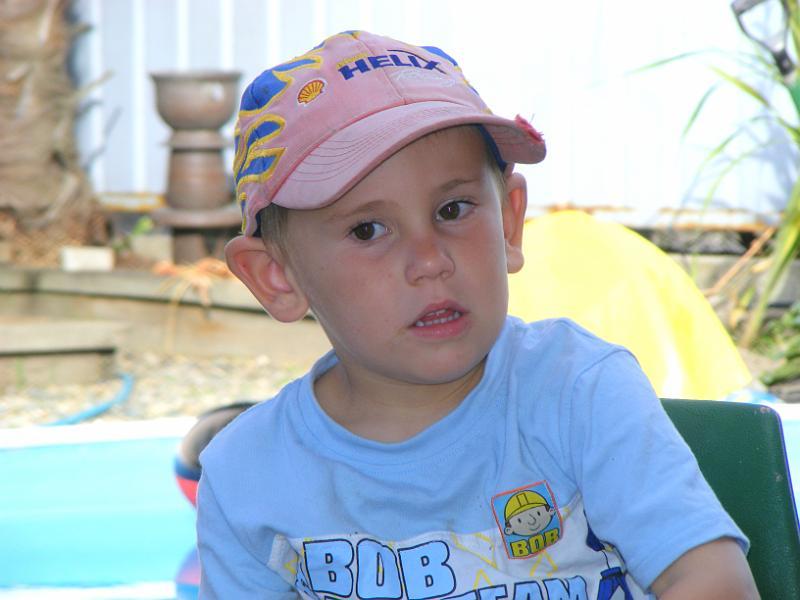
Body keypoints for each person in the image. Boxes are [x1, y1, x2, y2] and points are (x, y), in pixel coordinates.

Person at [197, 30, 758, 599]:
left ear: (509, 223)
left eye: (452, 209)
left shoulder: (578, 391)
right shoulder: (247, 477)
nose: (429, 260)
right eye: (367, 230)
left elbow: (712, 580)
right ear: (276, 276)